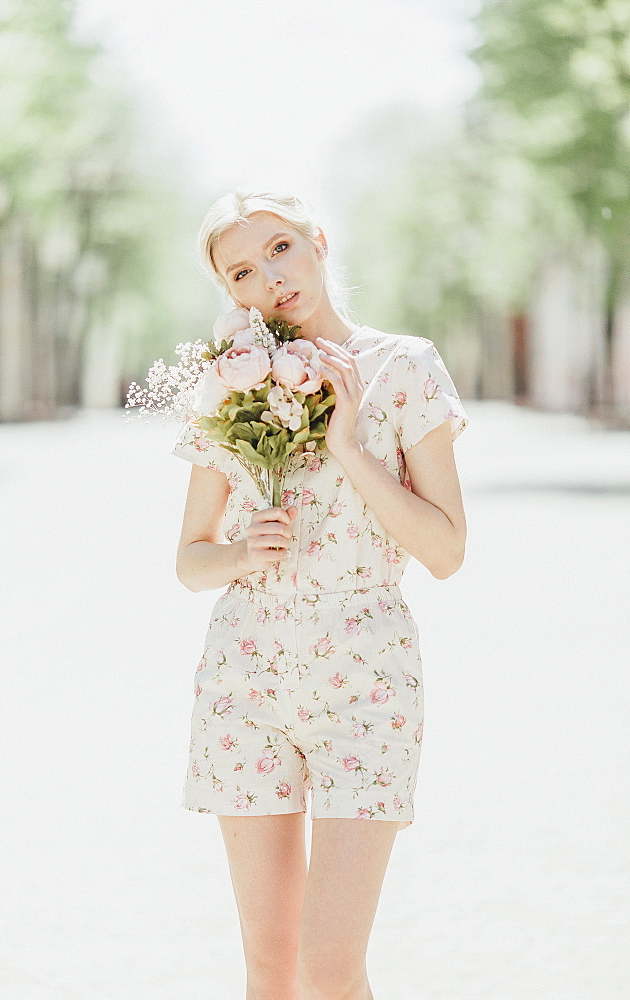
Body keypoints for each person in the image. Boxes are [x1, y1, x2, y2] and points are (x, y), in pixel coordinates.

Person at [172, 190, 470, 1000]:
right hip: (247, 678)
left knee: (328, 966)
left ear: (318, 243)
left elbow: (446, 550)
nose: (268, 277)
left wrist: (348, 444)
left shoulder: (404, 367)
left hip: (366, 675)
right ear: (231, 294)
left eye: (278, 249)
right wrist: (237, 551)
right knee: (270, 966)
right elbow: (190, 562)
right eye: (242, 270)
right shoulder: (224, 387)